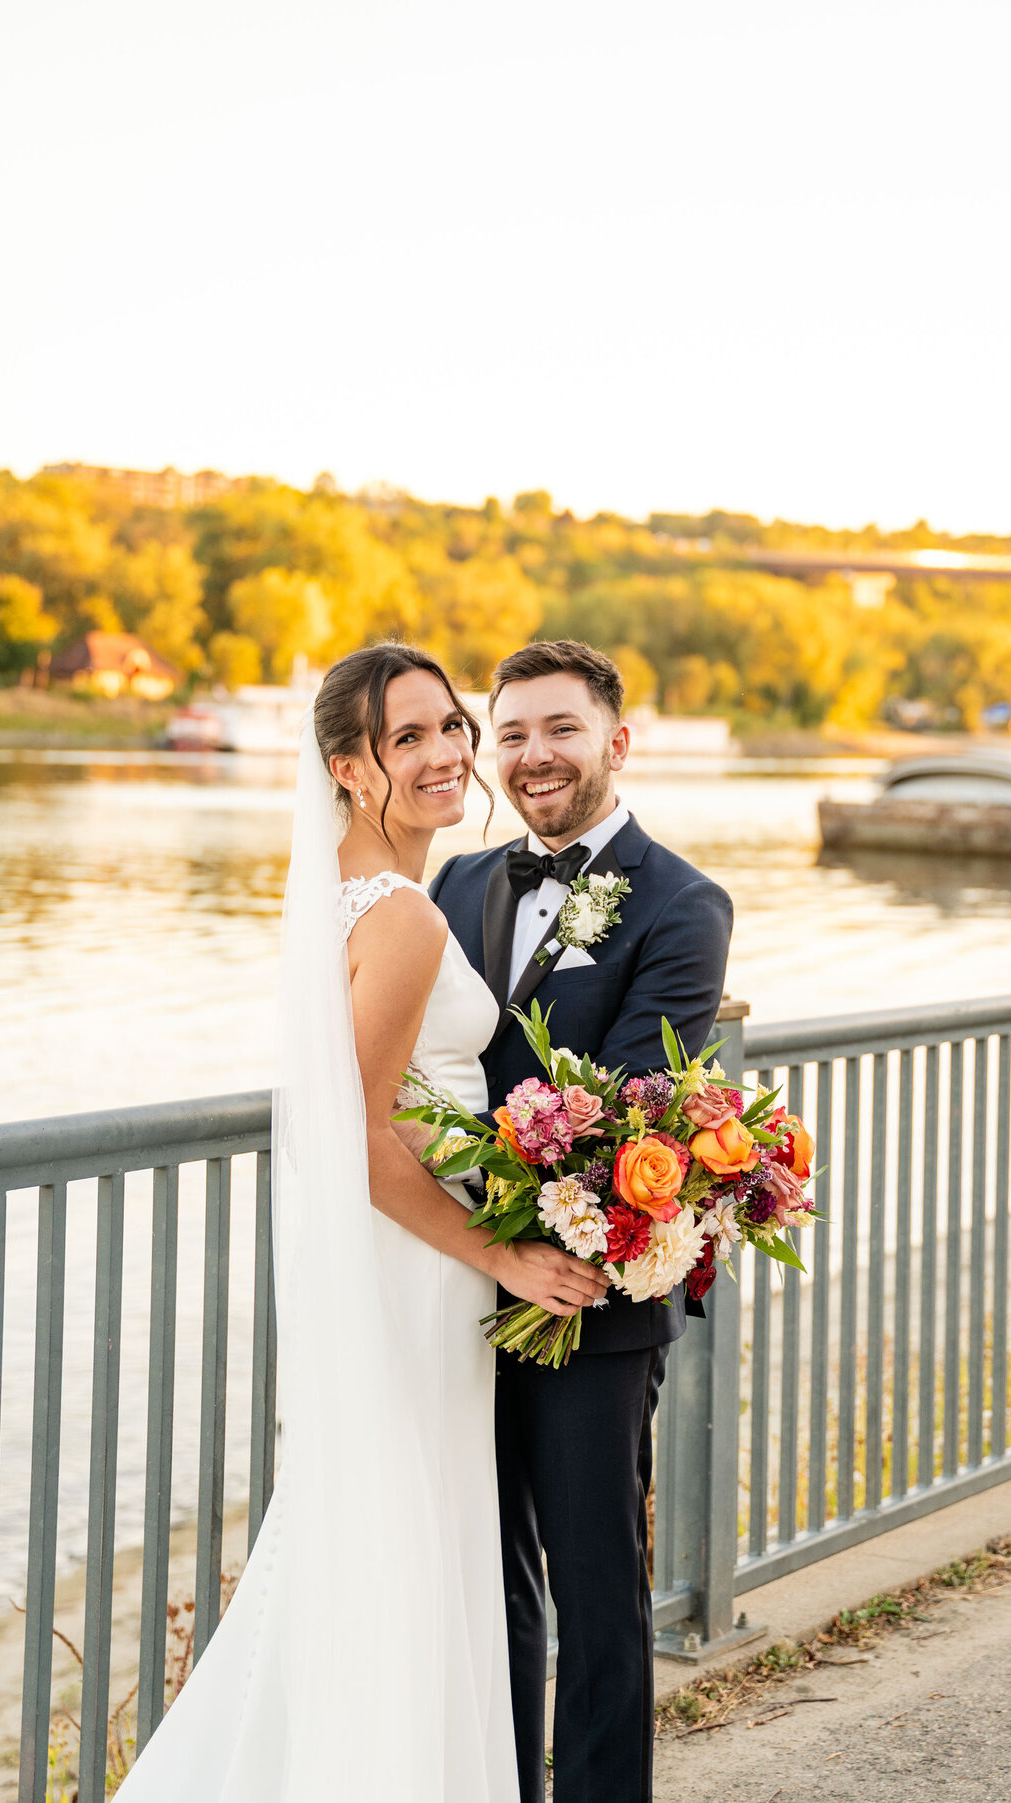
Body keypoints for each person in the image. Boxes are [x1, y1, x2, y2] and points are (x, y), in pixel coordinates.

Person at [118, 641, 607, 1801]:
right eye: (408, 739)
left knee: (376, 1536)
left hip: (393, 1264)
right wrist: (505, 1257)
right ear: (348, 767)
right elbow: (366, 1136)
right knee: (404, 1542)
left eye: (451, 727)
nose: (446, 754)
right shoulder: (401, 917)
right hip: (418, 1269)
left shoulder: (349, 889)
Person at [430, 639, 734, 1803]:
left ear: (617, 740)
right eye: (509, 734)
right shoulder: (456, 884)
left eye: (559, 729)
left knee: (597, 1589)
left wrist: (520, 1237)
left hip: (587, 1300)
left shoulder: (683, 902)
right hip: (459, 1284)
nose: (532, 755)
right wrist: (462, 1236)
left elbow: (628, 1107)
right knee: (485, 1579)